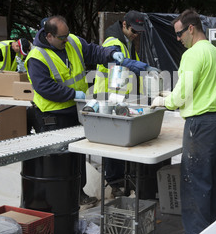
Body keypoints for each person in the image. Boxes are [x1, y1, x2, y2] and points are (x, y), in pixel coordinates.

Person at [25, 15, 147, 206]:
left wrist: (110, 54)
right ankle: (62, 199)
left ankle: (78, 192)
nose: (66, 41)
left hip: (75, 110)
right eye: (62, 38)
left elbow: (92, 51)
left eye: (67, 36)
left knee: (77, 155)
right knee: (59, 160)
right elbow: (45, 87)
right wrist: (74, 94)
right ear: (49, 36)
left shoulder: (71, 41)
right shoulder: (37, 57)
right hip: (52, 115)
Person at [151, 9, 216, 234]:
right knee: (215, 183)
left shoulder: (193, 54)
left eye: (179, 34)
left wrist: (164, 100)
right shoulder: (215, 53)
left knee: (195, 185)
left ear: (191, 29)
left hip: (201, 125)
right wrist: (173, 94)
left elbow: (183, 94)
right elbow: (201, 87)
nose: (178, 39)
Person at [93, 10, 159, 197]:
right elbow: (123, 67)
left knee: (120, 141)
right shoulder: (114, 43)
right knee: (113, 142)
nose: (136, 35)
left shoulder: (126, 42)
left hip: (118, 97)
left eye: (139, 32)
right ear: (124, 25)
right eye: (133, 31)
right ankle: (115, 182)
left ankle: (119, 180)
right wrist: (144, 68)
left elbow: (132, 68)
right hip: (108, 97)